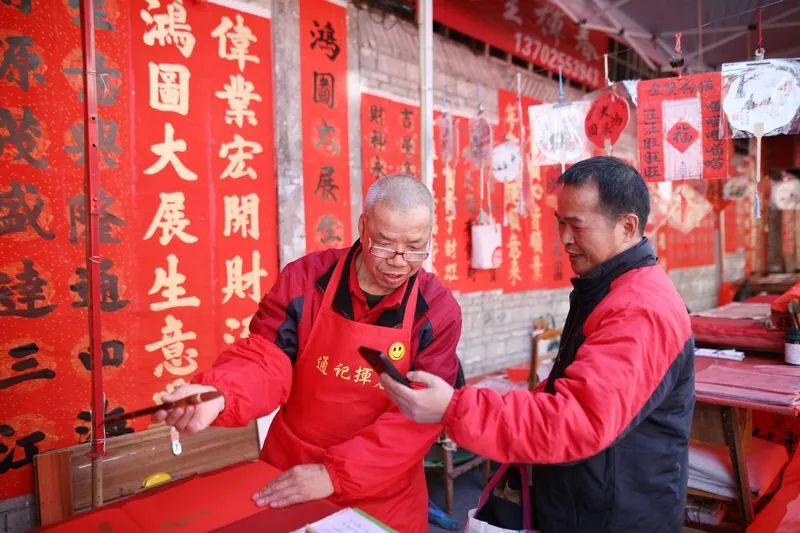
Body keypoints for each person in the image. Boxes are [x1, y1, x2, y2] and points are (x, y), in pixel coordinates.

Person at [383, 156, 695, 532]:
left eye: (576, 225)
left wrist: (454, 407)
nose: (564, 238)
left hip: (617, 515)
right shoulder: (609, 288)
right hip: (587, 501)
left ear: (627, 226)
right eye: (560, 223)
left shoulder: (639, 309)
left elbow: (575, 420)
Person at [153, 174, 461, 533]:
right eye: (385, 244)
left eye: (415, 247)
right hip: (290, 474)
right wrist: (220, 394)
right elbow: (266, 358)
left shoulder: (437, 310)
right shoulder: (306, 279)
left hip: (382, 487)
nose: (399, 261)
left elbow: (421, 413)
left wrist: (336, 473)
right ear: (363, 226)